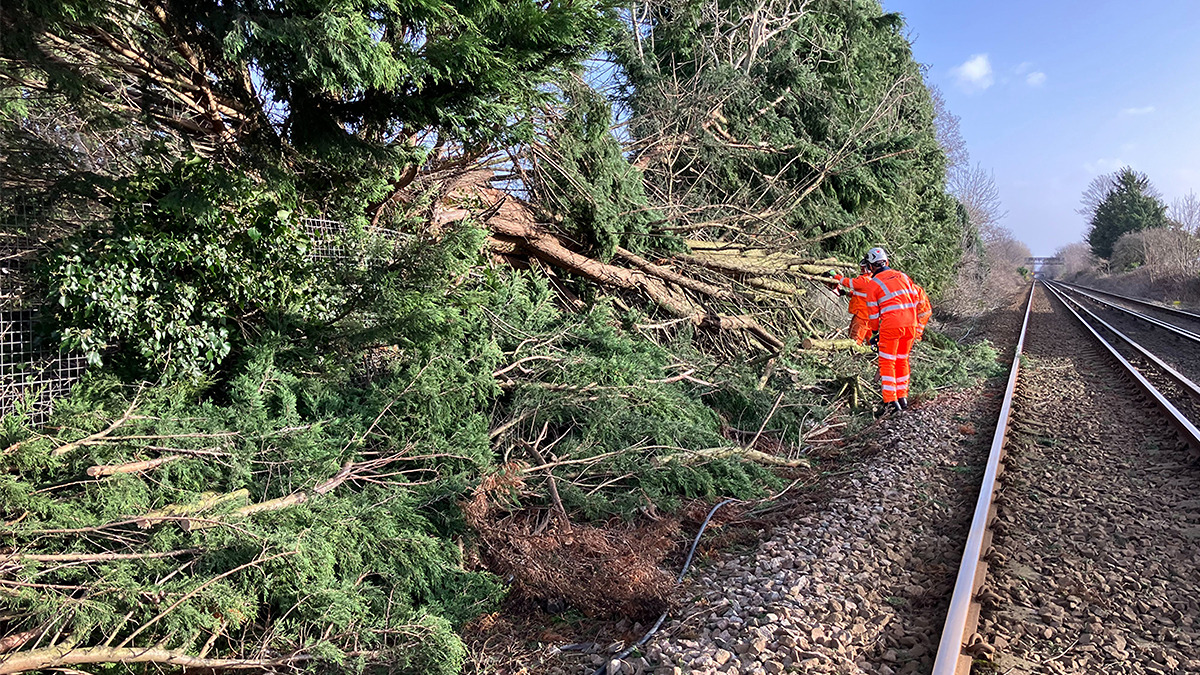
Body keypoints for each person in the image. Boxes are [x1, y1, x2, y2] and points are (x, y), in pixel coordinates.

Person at [862, 247, 920, 415]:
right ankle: (902, 398)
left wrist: (874, 332)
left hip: (891, 326)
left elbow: (873, 314)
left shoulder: (873, 284)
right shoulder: (903, 276)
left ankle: (890, 402)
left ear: (871, 266)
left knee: (887, 363)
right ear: (886, 262)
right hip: (911, 323)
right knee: (902, 360)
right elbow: (916, 299)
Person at [828, 259, 873, 344]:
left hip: (862, 315)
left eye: (863, 268)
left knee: (855, 338)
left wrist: (835, 275)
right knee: (870, 339)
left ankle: (855, 351)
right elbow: (862, 295)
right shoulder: (872, 280)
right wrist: (846, 293)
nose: (861, 270)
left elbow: (848, 282)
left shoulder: (864, 280)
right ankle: (873, 351)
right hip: (868, 316)